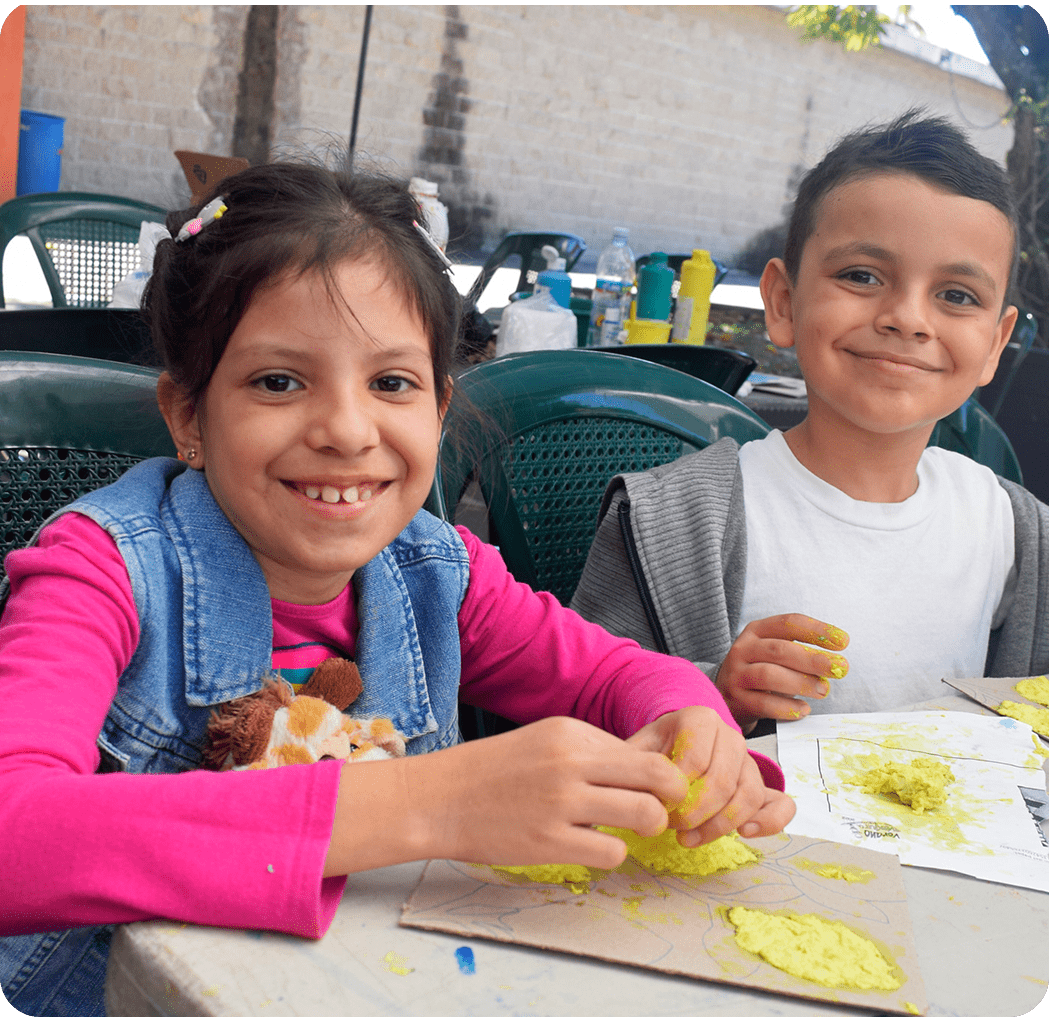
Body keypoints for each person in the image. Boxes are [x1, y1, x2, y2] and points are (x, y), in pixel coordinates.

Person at [0, 163, 793, 1016]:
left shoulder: (440, 574)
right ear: (189, 415)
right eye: (278, 380)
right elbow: (16, 834)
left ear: (439, 409)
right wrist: (432, 803)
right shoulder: (102, 569)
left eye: (391, 383)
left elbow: (615, 676)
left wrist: (695, 725)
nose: (346, 429)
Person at [572, 109, 1046, 736]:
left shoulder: (1016, 530)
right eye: (862, 276)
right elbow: (579, 715)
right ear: (784, 302)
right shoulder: (674, 521)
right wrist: (713, 694)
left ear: (995, 343)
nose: (908, 318)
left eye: (956, 294)